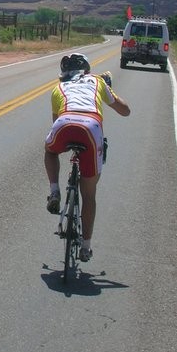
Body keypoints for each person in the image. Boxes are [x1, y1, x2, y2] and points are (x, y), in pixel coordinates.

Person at [44, 53, 131, 262]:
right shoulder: (98, 81)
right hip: (91, 127)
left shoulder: (58, 88)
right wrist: (108, 91)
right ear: (87, 69)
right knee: (89, 195)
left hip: (64, 123)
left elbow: (56, 121)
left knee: (50, 151)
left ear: (64, 73)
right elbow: (125, 111)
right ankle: (85, 247)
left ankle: (54, 191)